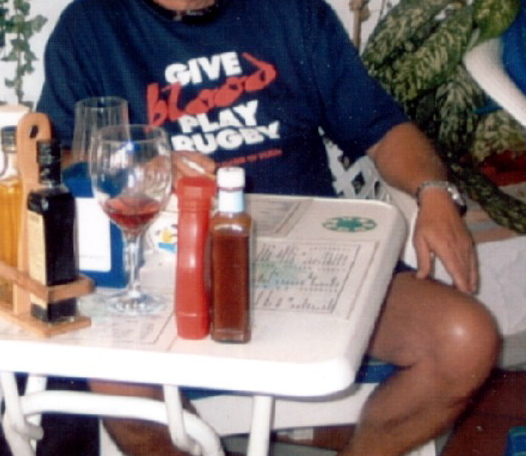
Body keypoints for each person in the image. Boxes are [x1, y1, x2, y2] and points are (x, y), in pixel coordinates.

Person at [37, 0, 501, 455]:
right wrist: (140, 161)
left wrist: (434, 192)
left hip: (313, 261)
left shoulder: (292, 11)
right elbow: (56, 158)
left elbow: (381, 128)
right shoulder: (90, 25)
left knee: (465, 341)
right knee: (118, 386)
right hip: (170, 275)